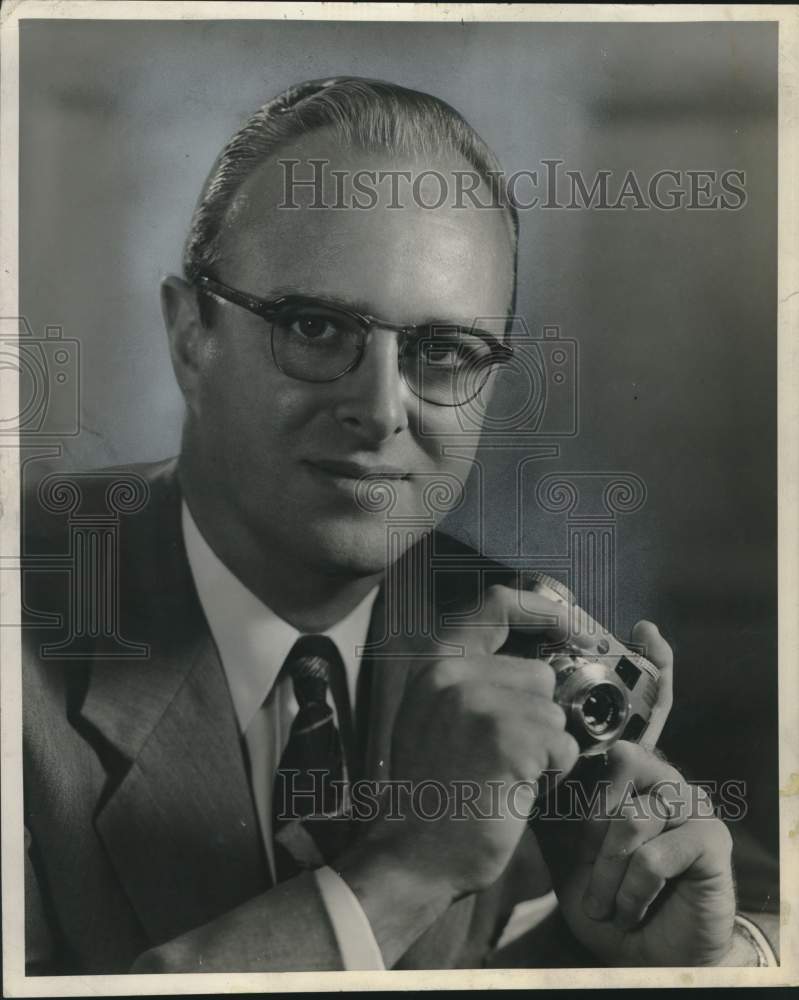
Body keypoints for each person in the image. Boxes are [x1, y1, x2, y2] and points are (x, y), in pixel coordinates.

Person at [21, 77, 777, 974]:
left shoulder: (512, 624)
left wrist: (640, 949)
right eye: (312, 327)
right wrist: (411, 870)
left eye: (444, 352)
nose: (380, 410)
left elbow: (759, 907)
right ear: (192, 337)